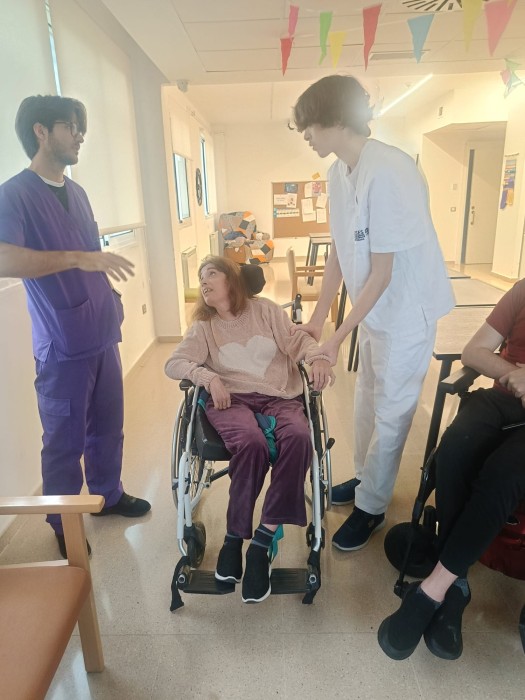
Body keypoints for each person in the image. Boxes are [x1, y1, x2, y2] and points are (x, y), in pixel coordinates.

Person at [292, 75, 454, 551]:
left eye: (309, 125)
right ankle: (365, 479)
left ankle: (373, 506)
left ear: (336, 119)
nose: (305, 135)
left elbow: (383, 273)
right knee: (365, 400)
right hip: (374, 311)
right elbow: (340, 252)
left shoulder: (390, 170)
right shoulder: (337, 174)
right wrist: (319, 318)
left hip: (405, 310)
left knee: (392, 409)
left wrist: (336, 337)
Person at [0, 95, 151, 558]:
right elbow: (5, 258)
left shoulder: (78, 193)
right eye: (70, 126)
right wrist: (77, 259)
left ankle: (107, 494)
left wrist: (109, 292)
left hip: (101, 330)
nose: (80, 136)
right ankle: (62, 521)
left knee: (108, 425)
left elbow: (92, 254)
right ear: (41, 131)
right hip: (63, 343)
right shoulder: (15, 194)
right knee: (63, 441)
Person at [164, 255, 333, 604]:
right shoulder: (204, 327)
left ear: (232, 280)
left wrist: (317, 356)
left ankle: (260, 543)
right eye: (201, 277)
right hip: (231, 401)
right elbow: (174, 363)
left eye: (211, 273)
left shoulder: (266, 311)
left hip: (279, 397)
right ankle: (233, 540)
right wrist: (207, 377)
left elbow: (298, 342)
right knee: (251, 443)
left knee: (300, 437)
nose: (203, 281)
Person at [378, 279, 525, 661]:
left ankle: (433, 591)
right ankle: (458, 584)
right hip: (504, 400)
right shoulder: (522, 291)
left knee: (504, 473)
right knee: (456, 447)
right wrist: (515, 374)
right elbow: (473, 351)